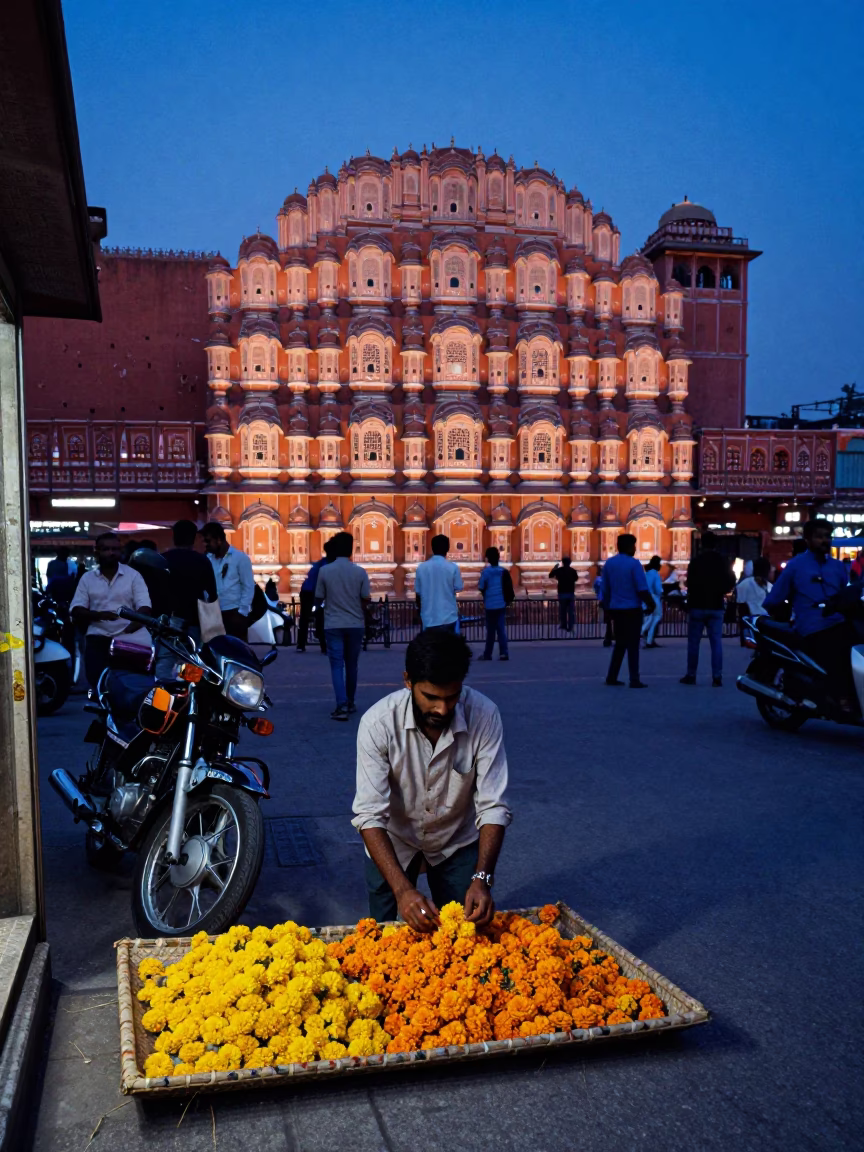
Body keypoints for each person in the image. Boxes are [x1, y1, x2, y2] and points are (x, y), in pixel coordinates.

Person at [353, 630, 511, 930]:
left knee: (466, 932)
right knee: (382, 936)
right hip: (394, 840)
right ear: (408, 681)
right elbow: (369, 815)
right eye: (431, 697)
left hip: (455, 840)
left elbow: (494, 805)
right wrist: (403, 891)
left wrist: (482, 879)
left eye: (452, 697)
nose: (441, 709)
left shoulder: (484, 715)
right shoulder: (377, 724)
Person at [764, 518, 853, 707]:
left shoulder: (838, 567)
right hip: (811, 626)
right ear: (808, 540)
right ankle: (840, 698)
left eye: (828, 537)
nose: (825, 541)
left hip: (838, 621)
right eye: (819, 537)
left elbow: (847, 594)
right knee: (840, 649)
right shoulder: (796, 566)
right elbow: (773, 600)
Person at [69, 532, 152, 688]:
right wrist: (99, 615)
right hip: (98, 638)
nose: (111, 553)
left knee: (132, 687)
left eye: (115, 549)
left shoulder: (133, 576)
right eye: (105, 549)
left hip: (129, 639)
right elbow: (76, 609)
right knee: (97, 686)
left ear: (120, 551)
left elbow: (145, 606)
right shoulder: (87, 578)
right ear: (97, 552)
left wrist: (137, 622)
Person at [150, 520, 219, 676]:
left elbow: (153, 592)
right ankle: (189, 696)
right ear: (194, 538)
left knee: (165, 660)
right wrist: (212, 629)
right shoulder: (202, 560)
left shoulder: (162, 559)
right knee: (192, 660)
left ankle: (164, 695)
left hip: (168, 620)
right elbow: (212, 595)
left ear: (174, 537)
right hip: (194, 620)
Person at [314, 531, 371, 720]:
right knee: (352, 665)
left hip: (333, 624)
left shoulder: (325, 571)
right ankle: (351, 701)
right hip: (355, 623)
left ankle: (341, 704)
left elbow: (319, 597)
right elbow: (365, 599)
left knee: (337, 666)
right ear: (351, 549)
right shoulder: (360, 572)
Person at [680, 532, 736, 687]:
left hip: (697, 605)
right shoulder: (723, 561)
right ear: (716, 544)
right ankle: (717, 676)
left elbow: (689, 582)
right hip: (716, 605)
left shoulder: (696, 561)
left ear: (701, 544)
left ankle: (691, 674)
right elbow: (731, 580)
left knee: (693, 643)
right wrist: (722, 590)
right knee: (716, 643)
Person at [601, 535, 655, 688]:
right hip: (632, 609)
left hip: (616, 609)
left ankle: (612, 676)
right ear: (630, 546)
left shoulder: (609, 564)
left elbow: (605, 590)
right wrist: (651, 604)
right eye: (634, 546)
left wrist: (607, 609)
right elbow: (642, 588)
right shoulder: (634, 564)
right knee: (633, 645)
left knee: (619, 644)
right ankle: (634, 678)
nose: (635, 549)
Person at [201, 521, 256, 640]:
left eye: (208, 541)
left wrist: (242, 613)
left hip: (234, 613)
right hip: (214, 613)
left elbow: (248, 586)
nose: (206, 545)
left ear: (219, 540)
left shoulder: (240, 558)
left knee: (237, 652)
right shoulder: (207, 559)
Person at [414, 534, 463, 633]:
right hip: (449, 616)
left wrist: (420, 611)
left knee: (431, 647)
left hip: (428, 618)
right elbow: (458, 587)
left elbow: (418, 593)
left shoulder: (421, 568)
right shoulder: (453, 567)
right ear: (448, 548)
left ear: (432, 548)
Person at [297, 539, 334, 653]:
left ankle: (301, 645)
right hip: (312, 592)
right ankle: (323, 646)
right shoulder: (327, 564)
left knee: (307, 618)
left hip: (308, 590)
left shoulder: (321, 563)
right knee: (319, 618)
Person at [477, 546, 511, 661]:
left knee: (490, 631)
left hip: (490, 605)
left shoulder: (486, 572)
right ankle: (504, 653)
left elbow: (481, 587)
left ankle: (488, 654)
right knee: (501, 629)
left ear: (488, 559)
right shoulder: (503, 572)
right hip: (501, 603)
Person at [735, 557, 772, 642]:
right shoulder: (770, 587)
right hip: (766, 621)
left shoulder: (743, 584)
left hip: (749, 622)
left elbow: (740, 603)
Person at [549, 557, 578, 632]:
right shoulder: (573, 571)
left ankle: (563, 625)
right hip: (570, 593)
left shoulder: (559, 570)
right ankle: (570, 626)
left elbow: (550, 575)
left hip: (562, 593)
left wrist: (555, 568)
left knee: (562, 610)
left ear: (562, 562)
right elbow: (576, 579)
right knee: (571, 611)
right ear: (570, 563)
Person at [641, 556, 664, 648]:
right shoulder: (655, 574)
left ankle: (647, 638)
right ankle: (648, 637)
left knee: (648, 618)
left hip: (646, 599)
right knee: (657, 617)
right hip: (654, 598)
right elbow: (658, 589)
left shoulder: (646, 574)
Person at [594, 565, 614, 647]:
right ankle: (610, 638)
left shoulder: (599, 580)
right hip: (611, 602)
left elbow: (597, 590)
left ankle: (608, 639)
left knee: (609, 621)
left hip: (606, 602)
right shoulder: (609, 580)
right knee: (613, 621)